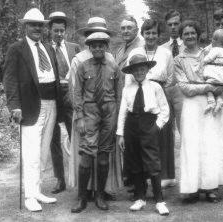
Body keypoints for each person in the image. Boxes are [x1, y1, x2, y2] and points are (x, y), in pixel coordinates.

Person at [3, 8, 60, 212]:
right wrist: (14, 106)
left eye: (40, 25)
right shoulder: (16, 49)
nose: (37, 28)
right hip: (29, 106)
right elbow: (9, 80)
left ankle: (37, 191)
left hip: (51, 103)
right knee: (31, 152)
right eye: (33, 24)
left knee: (43, 151)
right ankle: (29, 196)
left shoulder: (47, 47)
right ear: (25, 26)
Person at [174, 20, 223, 203]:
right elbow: (185, 87)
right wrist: (208, 86)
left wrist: (220, 88)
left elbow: (222, 75)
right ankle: (192, 189)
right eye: (186, 33)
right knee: (192, 146)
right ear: (181, 37)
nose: (190, 36)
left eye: (193, 32)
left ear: (199, 34)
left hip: (212, 106)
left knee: (210, 145)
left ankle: (210, 188)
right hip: (192, 106)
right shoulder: (178, 60)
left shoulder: (209, 53)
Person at [68, 17, 122, 201]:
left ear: (106, 46)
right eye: (94, 45)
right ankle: (83, 196)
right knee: (86, 154)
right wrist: (80, 117)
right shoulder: (82, 65)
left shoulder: (113, 65)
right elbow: (76, 93)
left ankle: (100, 195)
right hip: (90, 112)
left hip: (109, 111)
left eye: (102, 45)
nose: (98, 48)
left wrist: (117, 118)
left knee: (104, 154)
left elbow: (118, 93)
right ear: (89, 46)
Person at [117, 53, 170, 216]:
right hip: (131, 125)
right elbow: (122, 112)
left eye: (142, 69)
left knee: (152, 161)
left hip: (149, 123)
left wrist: (156, 127)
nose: (139, 72)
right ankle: (140, 197)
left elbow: (165, 110)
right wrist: (120, 134)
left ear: (147, 69)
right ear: (131, 72)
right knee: (135, 161)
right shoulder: (128, 89)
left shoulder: (155, 87)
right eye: (135, 70)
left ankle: (159, 200)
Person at [126, 19, 175, 191]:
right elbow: (129, 77)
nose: (151, 36)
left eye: (154, 33)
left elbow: (170, 78)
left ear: (159, 34)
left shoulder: (166, 53)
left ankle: (160, 178)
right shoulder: (135, 52)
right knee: (140, 140)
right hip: (139, 95)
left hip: (159, 94)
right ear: (143, 34)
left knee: (158, 137)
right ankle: (140, 181)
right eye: (148, 33)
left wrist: (158, 94)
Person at [48, 11, 80, 194]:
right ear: (50, 30)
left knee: (74, 135)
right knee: (53, 138)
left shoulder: (74, 48)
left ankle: (79, 178)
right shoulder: (44, 48)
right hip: (52, 95)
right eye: (56, 31)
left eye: (62, 31)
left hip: (70, 96)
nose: (59, 34)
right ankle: (60, 179)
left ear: (66, 31)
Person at [114, 15, 144, 194]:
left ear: (136, 30)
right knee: (125, 137)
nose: (125, 31)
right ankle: (129, 174)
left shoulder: (139, 47)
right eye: (123, 28)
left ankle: (137, 179)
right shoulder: (119, 49)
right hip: (120, 96)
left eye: (129, 28)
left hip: (135, 97)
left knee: (135, 139)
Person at [161, 10, 185, 134]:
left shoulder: (188, 45)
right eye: (170, 24)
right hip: (166, 92)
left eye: (176, 23)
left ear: (181, 24)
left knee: (185, 129)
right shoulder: (161, 49)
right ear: (166, 26)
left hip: (184, 92)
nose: (173, 27)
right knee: (166, 132)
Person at [201, 29, 223, 115]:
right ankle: (219, 101)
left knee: (207, 86)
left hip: (216, 75)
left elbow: (208, 59)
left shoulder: (214, 50)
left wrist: (202, 62)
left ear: (215, 41)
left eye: (213, 38)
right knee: (218, 90)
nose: (212, 40)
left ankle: (211, 101)